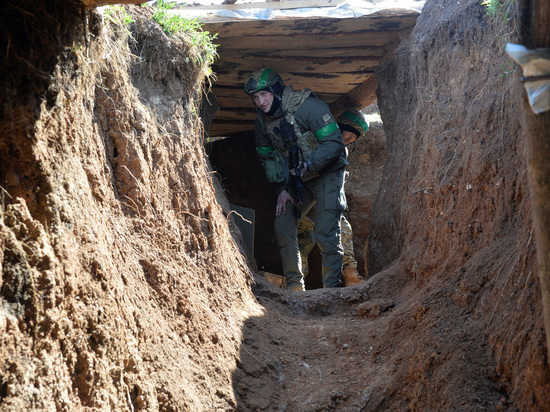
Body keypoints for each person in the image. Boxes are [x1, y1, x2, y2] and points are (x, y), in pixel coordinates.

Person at [244, 68, 347, 291]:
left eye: (264, 95)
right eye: (255, 97)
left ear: (276, 91)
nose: (260, 102)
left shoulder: (308, 107)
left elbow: (334, 143)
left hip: (327, 173)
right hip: (297, 179)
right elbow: (267, 160)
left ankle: (332, 290)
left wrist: (309, 164)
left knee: (325, 231)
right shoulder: (262, 123)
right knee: (282, 222)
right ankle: (294, 289)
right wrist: (281, 189)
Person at [298, 109, 370, 286]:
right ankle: (296, 287)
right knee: (302, 248)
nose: (352, 138)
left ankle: (350, 276)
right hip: (309, 208)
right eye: (350, 132)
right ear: (341, 126)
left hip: (324, 210)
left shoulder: (338, 149)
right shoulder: (320, 144)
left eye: (356, 136)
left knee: (342, 238)